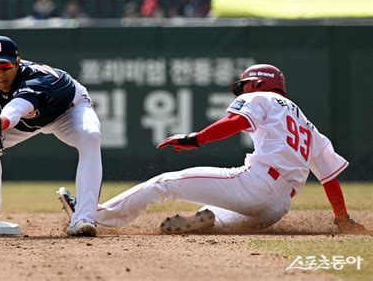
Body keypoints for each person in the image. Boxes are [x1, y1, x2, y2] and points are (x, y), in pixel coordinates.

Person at [58, 64, 367, 235]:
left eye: (244, 85)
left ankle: (94, 214)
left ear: (257, 84)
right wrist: (341, 218)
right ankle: (207, 218)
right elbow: (329, 178)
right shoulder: (308, 125)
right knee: (221, 215)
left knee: (166, 182)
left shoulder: (261, 99)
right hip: (278, 207)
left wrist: (196, 139)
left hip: (256, 183)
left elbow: (234, 121)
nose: (241, 91)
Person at [0, 35, 102, 237]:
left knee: (91, 136)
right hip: (25, 121)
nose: (0, 74)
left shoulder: (36, 79)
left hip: (68, 110)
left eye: (6, 67)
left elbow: (16, 110)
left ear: (18, 63)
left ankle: (83, 218)